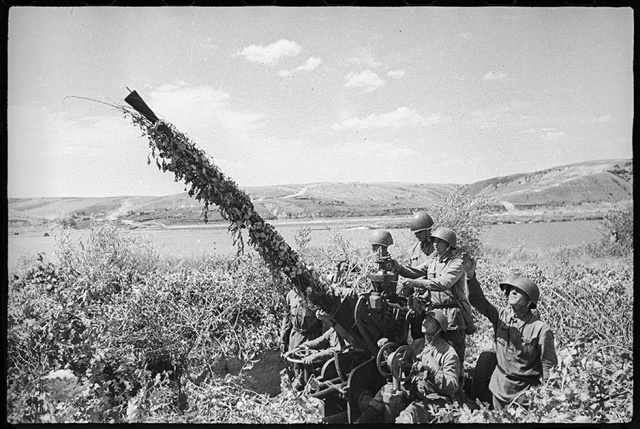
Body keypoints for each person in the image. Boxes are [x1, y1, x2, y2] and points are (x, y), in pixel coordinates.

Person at [463, 255, 558, 410]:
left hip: (524, 395)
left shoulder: (541, 329)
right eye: (512, 289)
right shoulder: (501, 317)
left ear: (529, 302)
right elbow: (478, 301)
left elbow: (548, 366)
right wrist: (471, 276)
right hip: (498, 388)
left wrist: (547, 396)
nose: (512, 292)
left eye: (519, 291)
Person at [355, 310, 461, 423]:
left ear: (440, 328)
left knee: (411, 413)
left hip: (436, 398)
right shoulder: (417, 344)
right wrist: (389, 353)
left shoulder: (448, 352)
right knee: (386, 392)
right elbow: (402, 361)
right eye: (425, 318)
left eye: (431, 320)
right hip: (414, 391)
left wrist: (432, 371)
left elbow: (453, 386)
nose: (425, 322)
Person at [393, 226, 473, 365]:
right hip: (435, 314)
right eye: (434, 241)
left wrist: (414, 283)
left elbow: (443, 284)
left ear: (449, 245)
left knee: (453, 355)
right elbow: (413, 271)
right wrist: (398, 267)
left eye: (439, 242)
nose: (435, 244)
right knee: (435, 353)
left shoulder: (457, 263)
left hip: (452, 316)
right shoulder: (433, 261)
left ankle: (458, 384)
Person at [398, 212, 437, 341]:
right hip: (417, 303)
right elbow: (410, 272)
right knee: (417, 337)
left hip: (433, 302)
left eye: (419, 232)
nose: (416, 236)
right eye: (415, 233)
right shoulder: (414, 250)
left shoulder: (437, 249)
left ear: (428, 231)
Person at [280, 287, 322, 389]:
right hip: (295, 338)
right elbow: (287, 319)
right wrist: (283, 340)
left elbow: (324, 321)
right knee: (297, 369)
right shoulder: (290, 295)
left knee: (312, 372)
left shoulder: (315, 295)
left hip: (312, 338)